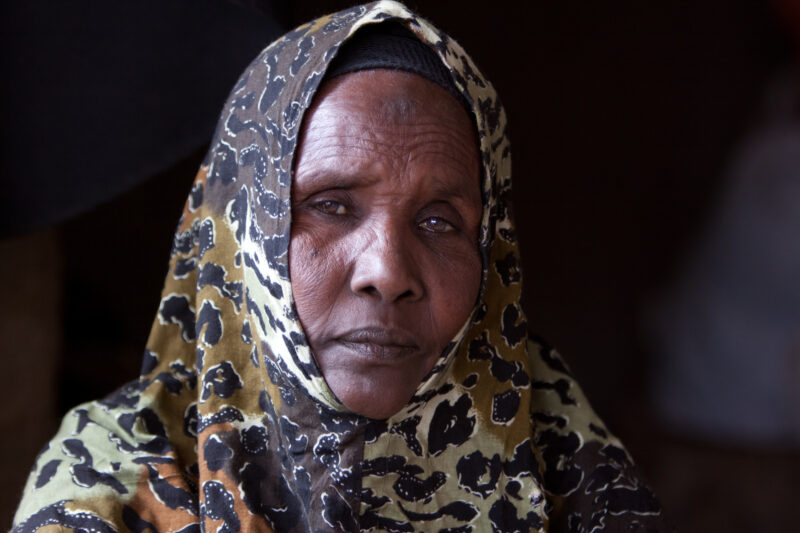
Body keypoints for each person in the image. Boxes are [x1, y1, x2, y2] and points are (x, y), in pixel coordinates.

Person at [13, 2, 670, 531]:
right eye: (329, 206)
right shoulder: (113, 491)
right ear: (241, 233)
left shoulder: (565, 467)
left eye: (440, 221)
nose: (387, 272)